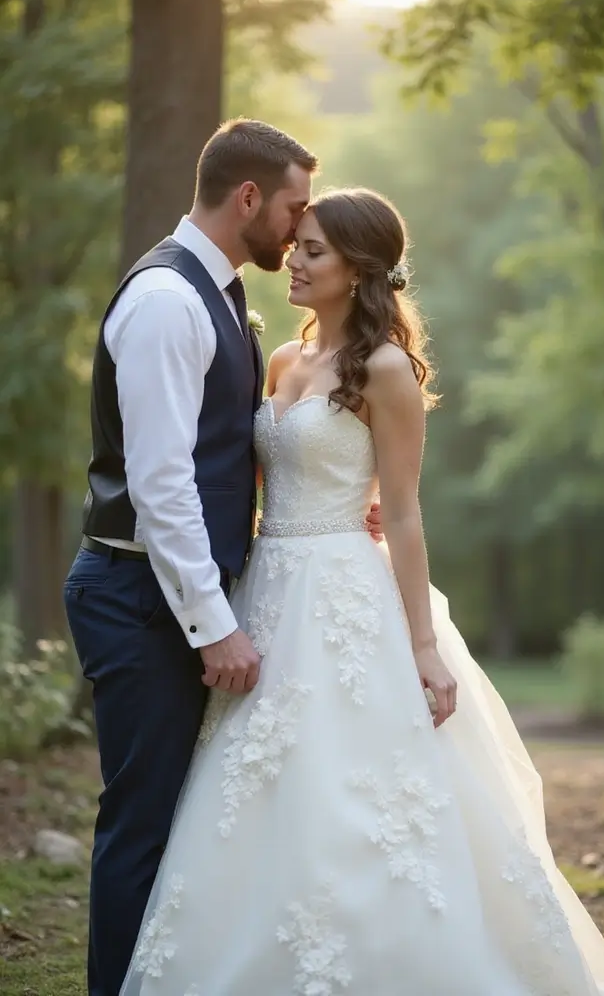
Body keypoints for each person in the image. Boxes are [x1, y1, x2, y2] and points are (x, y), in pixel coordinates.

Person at [118, 187, 604, 996]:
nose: (294, 256)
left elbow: (403, 511)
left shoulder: (386, 371)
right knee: (259, 788)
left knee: (360, 789)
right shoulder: (283, 359)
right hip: (270, 589)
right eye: (299, 242)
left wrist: (423, 645)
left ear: (358, 270)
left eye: (314, 249)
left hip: (347, 593)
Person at [64, 120, 381, 996]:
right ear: (248, 198)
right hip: (138, 594)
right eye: (291, 207)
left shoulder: (225, 298)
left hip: (173, 588)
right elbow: (162, 486)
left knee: (187, 818)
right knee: (146, 820)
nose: (298, 227)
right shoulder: (169, 301)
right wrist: (212, 628)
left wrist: (343, 486)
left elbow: (224, 450)